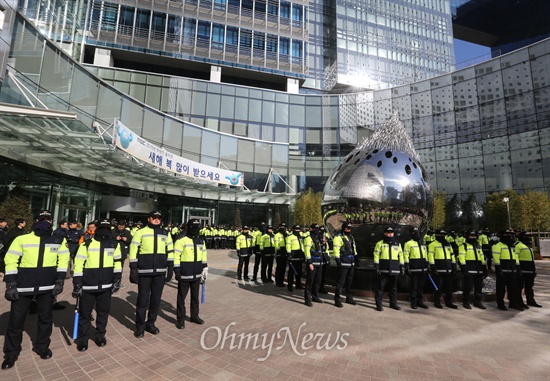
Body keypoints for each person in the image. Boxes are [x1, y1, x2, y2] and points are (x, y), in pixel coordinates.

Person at [2, 210, 70, 370]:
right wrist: (11, 283)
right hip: (23, 286)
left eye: (48, 220)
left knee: (45, 319)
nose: (45, 222)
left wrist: (60, 280)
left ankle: (42, 346)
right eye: (42, 219)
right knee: (16, 321)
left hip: (47, 287)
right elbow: (10, 259)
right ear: (35, 220)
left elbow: (63, 259)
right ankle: (11, 353)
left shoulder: (58, 239)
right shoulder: (22, 239)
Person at [72, 219, 122, 351]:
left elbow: (117, 263)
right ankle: (83, 338)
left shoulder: (114, 245)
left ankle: (100, 335)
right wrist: (77, 283)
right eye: (102, 228)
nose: (105, 231)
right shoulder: (86, 244)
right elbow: (78, 264)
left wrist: (117, 279)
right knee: (85, 313)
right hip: (88, 286)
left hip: (106, 286)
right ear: (96, 229)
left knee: (103, 312)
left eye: (108, 228)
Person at [129, 211, 174, 337]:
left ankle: (151, 323)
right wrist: (133, 268)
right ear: (149, 219)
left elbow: (170, 250)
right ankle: (140, 326)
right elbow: (133, 250)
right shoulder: (140, 232)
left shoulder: (166, 233)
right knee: (143, 299)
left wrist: (170, 267)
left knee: (156, 300)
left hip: (160, 271)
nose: (156, 220)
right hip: (144, 271)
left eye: (158, 218)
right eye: (154, 218)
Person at [173, 219, 208, 329]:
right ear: (188, 228)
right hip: (184, 274)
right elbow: (176, 257)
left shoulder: (201, 241)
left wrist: (205, 268)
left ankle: (194, 316)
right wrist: (177, 271)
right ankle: (180, 319)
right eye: (193, 227)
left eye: (198, 227)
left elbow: (204, 255)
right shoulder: (181, 240)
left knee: (195, 298)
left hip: (197, 274)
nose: (196, 230)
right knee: (181, 298)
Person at [373, 227, 404, 311]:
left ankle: (393, 303)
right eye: (388, 232)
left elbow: (401, 255)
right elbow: (376, 254)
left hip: (394, 268)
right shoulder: (380, 243)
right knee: (380, 287)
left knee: (393, 287)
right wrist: (376, 265)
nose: (390, 234)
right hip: (383, 268)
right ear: (384, 233)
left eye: (391, 232)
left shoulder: (397, 243)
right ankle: (378, 304)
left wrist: (402, 266)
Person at [492, 229, 523, 311]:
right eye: (506, 234)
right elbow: (496, 258)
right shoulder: (497, 245)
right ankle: (500, 303)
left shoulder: (512, 245)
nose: (509, 236)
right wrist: (498, 269)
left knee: (513, 288)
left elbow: (516, 257)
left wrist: (518, 268)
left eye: (510, 234)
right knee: (501, 288)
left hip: (513, 270)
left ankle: (513, 303)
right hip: (503, 270)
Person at [428, 229, 458, 309]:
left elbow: (452, 255)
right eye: (440, 235)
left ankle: (449, 302)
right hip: (438, 269)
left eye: (443, 234)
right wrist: (433, 266)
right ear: (436, 235)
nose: (442, 236)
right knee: (438, 287)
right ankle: (437, 301)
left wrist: (454, 265)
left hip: (448, 268)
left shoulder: (448, 244)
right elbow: (430, 256)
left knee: (449, 287)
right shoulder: (432, 244)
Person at [458, 230, 487, 310]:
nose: (473, 238)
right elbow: (461, 258)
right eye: (471, 236)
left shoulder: (478, 246)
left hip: (479, 270)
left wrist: (484, 268)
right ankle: (465, 302)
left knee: (479, 287)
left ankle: (477, 302)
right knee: (468, 287)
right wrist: (464, 269)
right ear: (467, 236)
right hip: (469, 270)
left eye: (474, 236)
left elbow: (482, 257)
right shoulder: (463, 246)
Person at [332, 222, 358, 308]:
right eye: (347, 228)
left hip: (351, 262)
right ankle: (337, 299)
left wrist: (356, 258)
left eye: (350, 228)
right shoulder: (338, 237)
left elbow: (354, 248)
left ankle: (349, 297)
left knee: (350, 282)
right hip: (343, 262)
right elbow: (336, 249)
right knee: (340, 282)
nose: (349, 230)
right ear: (343, 228)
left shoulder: (351, 237)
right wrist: (338, 260)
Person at [403, 227, 429, 309]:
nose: (417, 235)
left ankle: (420, 302)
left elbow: (426, 254)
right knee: (414, 286)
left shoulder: (422, 243)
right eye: (415, 233)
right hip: (414, 268)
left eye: (418, 233)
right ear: (411, 234)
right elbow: (406, 255)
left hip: (423, 268)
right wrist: (406, 266)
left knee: (421, 287)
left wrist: (427, 264)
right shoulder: (408, 243)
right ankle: (413, 302)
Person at [515, 232, 541, 308]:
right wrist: (518, 268)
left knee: (529, 286)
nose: (529, 238)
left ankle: (530, 300)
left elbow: (531, 258)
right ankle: (519, 301)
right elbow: (516, 257)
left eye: (529, 237)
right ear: (522, 237)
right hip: (522, 269)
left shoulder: (529, 246)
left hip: (530, 269)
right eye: (527, 237)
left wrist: (534, 269)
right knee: (519, 286)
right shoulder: (518, 245)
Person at [303, 224, 324, 306]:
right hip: (312, 263)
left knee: (317, 281)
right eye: (315, 229)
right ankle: (307, 299)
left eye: (318, 229)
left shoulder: (318, 238)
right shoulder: (308, 238)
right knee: (310, 281)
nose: (317, 230)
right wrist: (309, 262)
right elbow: (307, 251)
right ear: (311, 229)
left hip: (319, 263)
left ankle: (315, 296)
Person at [286, 225, 305, 292]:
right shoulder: (290, 237)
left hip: (299, 255)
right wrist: (289, 254)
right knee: (291, 272)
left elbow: (302, 245)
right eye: (296, 229)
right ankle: (290, 286)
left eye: (298, 229)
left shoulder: (300, 237)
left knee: (299, 272)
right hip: (293, 255)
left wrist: (303, 253)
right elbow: (288, 246)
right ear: (293, 229)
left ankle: (298, 284)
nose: (297, 230)